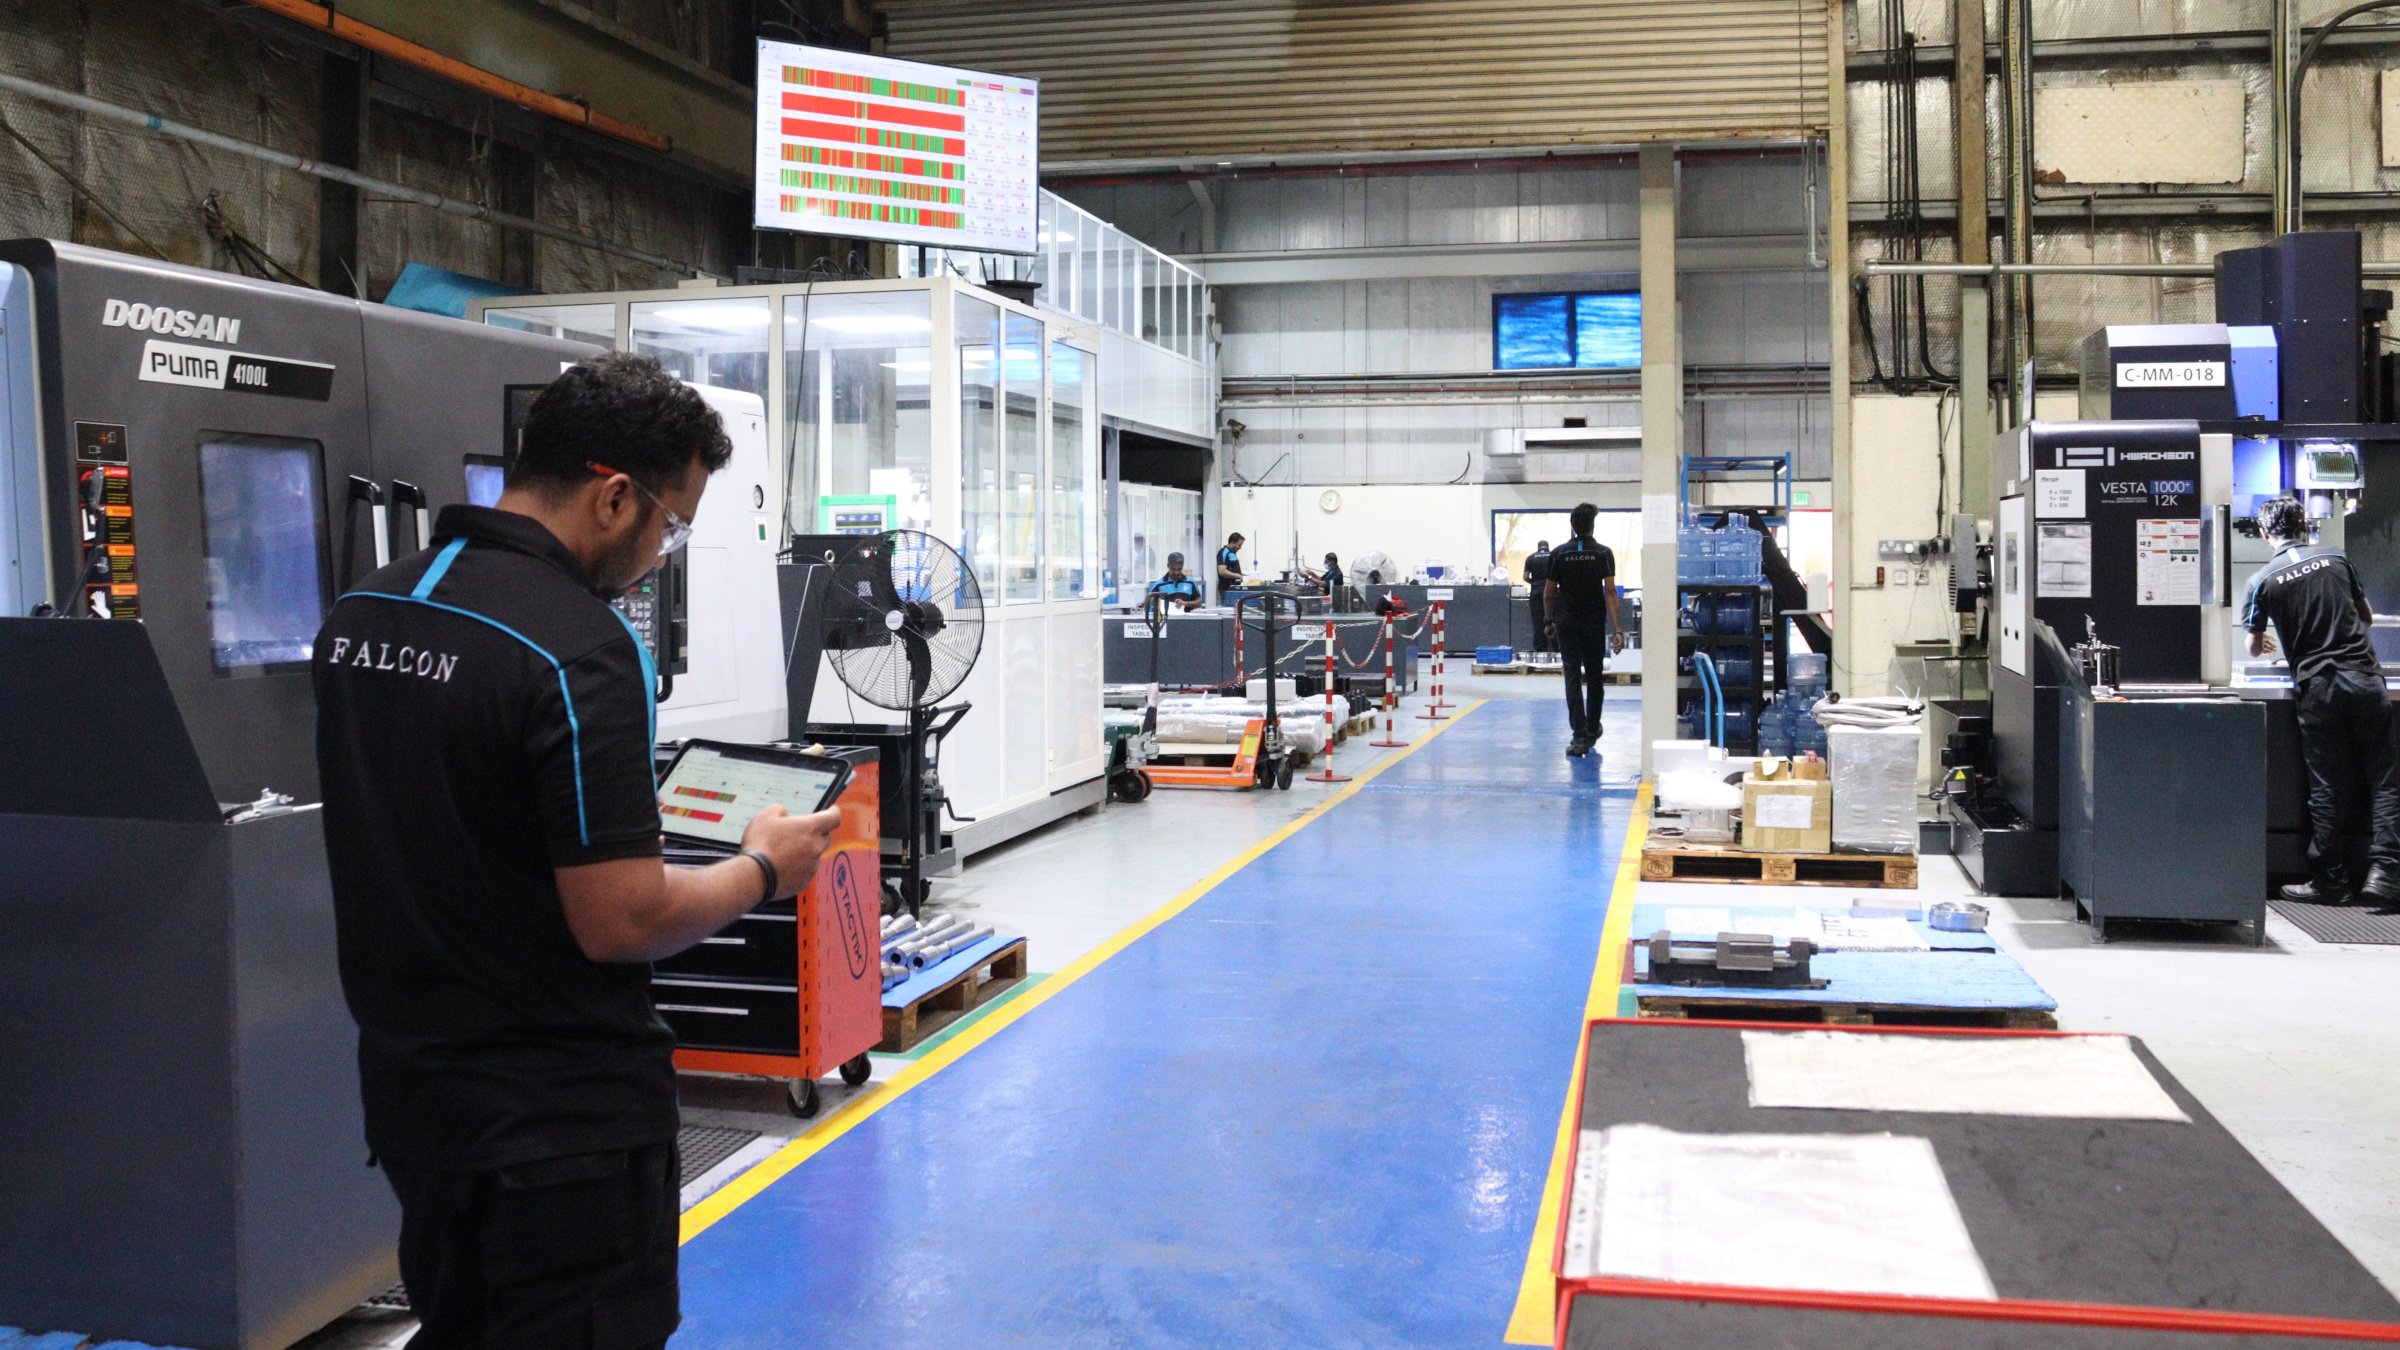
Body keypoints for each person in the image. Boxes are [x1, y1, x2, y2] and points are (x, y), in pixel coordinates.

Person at [313, 353, 844, 1349]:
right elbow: (623, 920)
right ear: (612, 497)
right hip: (561, 1135)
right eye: (672, 522)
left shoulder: (363, 615)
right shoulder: (580, 650)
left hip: (419, 1106)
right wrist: (764, 865)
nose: (663, 551)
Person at [2243, 495, 2400, 905]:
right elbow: (2363, 617)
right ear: (2304, 526)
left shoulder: (2262, 580)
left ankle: (2331, 882)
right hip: (2364, 678)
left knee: (2326, 786)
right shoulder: (2336, 557)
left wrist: (2274, 638)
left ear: (2264, 533)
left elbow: (2254, 647)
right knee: (2384, 776)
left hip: (2317, 688)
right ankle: (2385, 873)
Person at [1543, 503, 1624, 759]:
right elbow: (1610, 592)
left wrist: (1548, 620)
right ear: (1592, 526)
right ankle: (1591, 729)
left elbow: (1549, 592)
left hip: (1567, 625)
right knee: (1595, 676)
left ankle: (1578, 735)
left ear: (1573, 525)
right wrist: (1618, 628)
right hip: (1593, 624)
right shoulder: (1603, 553)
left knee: (1572, 677)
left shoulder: (1558, 554)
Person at [1525, 540, 1553, 656]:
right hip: (1552, 592)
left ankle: (1540, 653)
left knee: (1537, 623)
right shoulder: (1553, 556)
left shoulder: (1530, 558)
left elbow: (1526, 577)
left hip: (1536, 592)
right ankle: (1557, 651)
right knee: (1553, 620)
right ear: (1547, 547)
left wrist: (1535, 583)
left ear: (1538, 547)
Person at [1215, 532, 1246, 603]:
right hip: (1227, 590)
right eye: (1239, 545)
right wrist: (1238, 575)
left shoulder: (1232, 553)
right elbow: (1222, 571)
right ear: (1232, 542)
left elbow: (1232, 569)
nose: (1240, 548)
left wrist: (1241, 575)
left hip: (1234, 589)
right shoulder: (1224, 552)